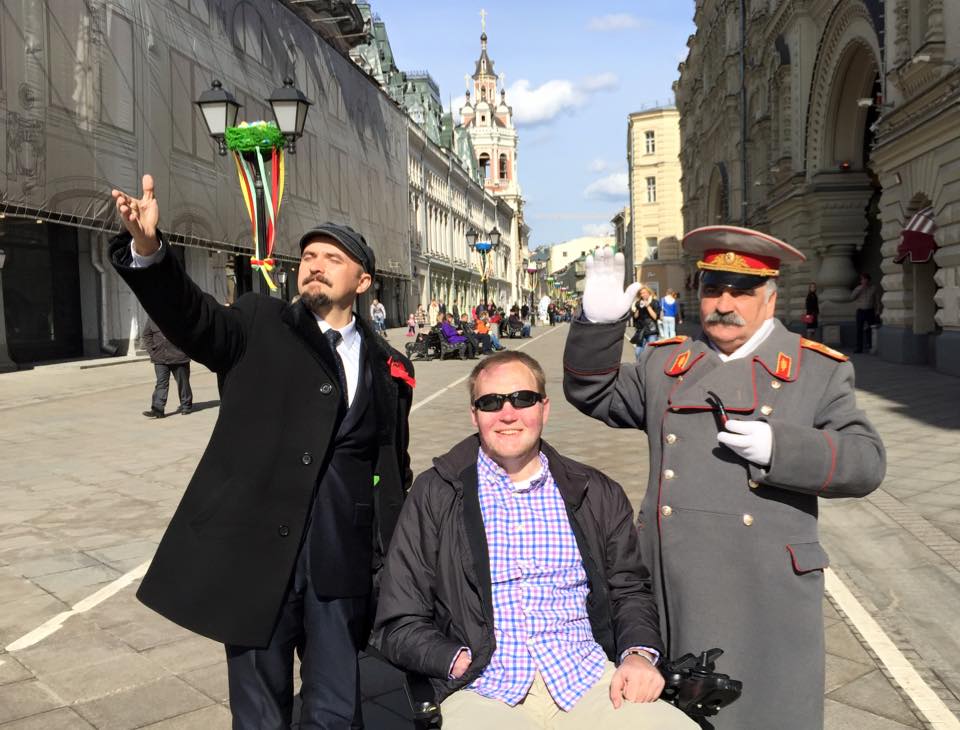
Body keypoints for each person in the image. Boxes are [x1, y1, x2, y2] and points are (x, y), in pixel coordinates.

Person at [109, 175, 415, 728]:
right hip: (256, 560)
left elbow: (390, 468)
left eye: (332, 257)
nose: (315, 263)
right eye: (308, 255)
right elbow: (193, 317)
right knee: (258, 714)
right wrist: (149, 250)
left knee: (337, 710)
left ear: (364, 280)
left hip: (338, 565)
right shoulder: (259, 323)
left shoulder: (387, 365)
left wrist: (392, 564)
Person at [563, 228, 886, 729]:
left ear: (770, 295)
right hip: (674, 584)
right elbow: (594, 392)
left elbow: (866, 461)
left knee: (765, 714)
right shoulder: (668, 363)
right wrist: (598, 324)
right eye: (714, 288)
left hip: (763, 590)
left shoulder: (813, 369)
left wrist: (782, 448)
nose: (724, 302)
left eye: (742, 289)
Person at [372, 351, 695, 730]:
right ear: (474, 414)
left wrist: (638, 654)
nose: (508, 414)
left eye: (522, 399)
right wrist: (454, 658)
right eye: (491, 402)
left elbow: (630, 590)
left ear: (544, 407)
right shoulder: (436, 493)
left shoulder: (595, 491)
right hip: (485, 688)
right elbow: (398, 618)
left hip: (589, 681)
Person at [140, 317, 193, 418]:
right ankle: (158, 409)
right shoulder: (152, 317)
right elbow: (146, 335)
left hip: (179, 356)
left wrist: (185, 349)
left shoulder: (180, 315)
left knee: (183, 382)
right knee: (161, 383)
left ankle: (186, 405)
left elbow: (189, 333)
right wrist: (152, 351)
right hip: (160, 357)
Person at [850, 272, 881, 353]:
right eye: (862, 279)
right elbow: (851, 297)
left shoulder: (873, 288)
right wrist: (860, 289)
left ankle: (870, 345)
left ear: (868, 280)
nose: (864, 281)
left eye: (865, 279)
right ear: (861, 281)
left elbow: (877, 301)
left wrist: (878, 311)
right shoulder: (858, 288)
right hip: (860, 311)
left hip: (870, 311)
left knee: (871, 329)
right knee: (859, 329)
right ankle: (859, 348)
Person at [630, 287, 660, 359]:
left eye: (644, 293)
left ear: (649, 293)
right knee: (638, 352)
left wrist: (648, 306)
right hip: (641, 330)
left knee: (650, 352)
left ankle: (649, 368)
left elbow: (655, 317)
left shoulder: (654, 302)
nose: (642, 295)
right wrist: (638, 308)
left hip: (651, 330)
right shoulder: (638, 303)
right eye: (641, 293)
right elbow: (635, 317)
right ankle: (639, 367)